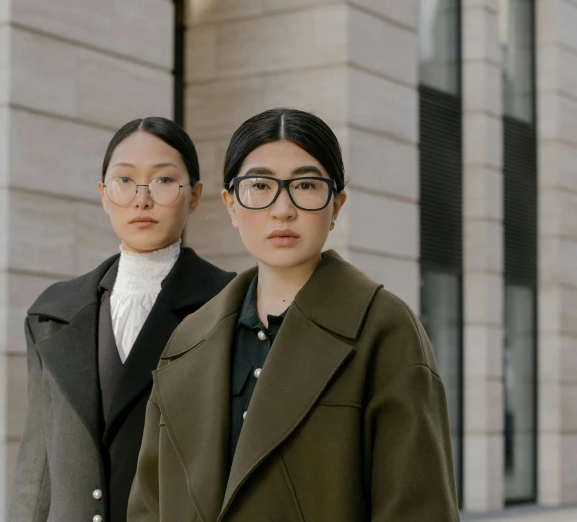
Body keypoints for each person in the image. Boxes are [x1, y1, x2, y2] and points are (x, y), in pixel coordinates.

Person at [128, 108, 460, 521]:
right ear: (231, 204)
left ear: (336, 206)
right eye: (260, 185)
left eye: (305, 185)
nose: (282, 209)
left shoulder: (384, 329)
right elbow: (149, 505)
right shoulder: (188, 339)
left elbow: (419, 510)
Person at [8, 117, 235, 522]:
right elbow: (37, 469)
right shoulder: (53, 313)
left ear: (195, 195)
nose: (141, 199)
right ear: (103, 194)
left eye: (164, 181)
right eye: (124, 180)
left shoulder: (230, 306)